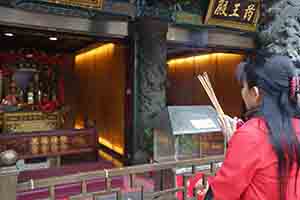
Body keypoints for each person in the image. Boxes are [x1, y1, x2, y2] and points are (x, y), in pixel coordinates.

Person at [204, 53, 300, 200]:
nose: (242, 92)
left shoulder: (250, 135)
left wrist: (236, 142)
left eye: (243, 87)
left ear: (255, 93)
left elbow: (221, 194)